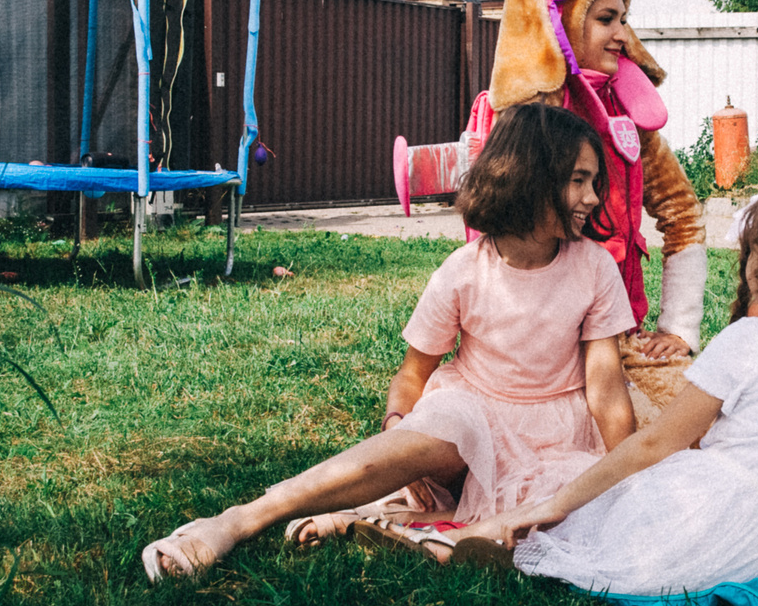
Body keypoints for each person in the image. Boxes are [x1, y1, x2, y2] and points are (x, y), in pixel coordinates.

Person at [141, 103, 636, 580]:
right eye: (578, 181)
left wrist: (639, 477)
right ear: (531, 177)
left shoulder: (593, 268)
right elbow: (413, 374)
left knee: (579, 504)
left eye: (594, 182)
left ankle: (392, 525)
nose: (593, 197)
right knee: (440, 428)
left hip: (554, 432)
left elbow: (606, 391)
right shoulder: (463, 272)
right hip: (471, 414)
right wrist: (401, 431)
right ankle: (239, 520)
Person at [453, 179, 758, 606]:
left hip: (683, 530)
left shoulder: (752, 339)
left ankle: (456, 539)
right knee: (588, 499)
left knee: (574, 493)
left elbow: (655, 444)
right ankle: (476, 533)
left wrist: (557, 505)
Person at [475, 0, 708, 406]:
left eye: (624, 19)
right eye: (606, 19)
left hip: (623, 340)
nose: (623, 35)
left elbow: (683, 213)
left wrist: (679, 328)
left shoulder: (630, 117)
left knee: (700, 420)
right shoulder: (523, 127)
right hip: (536, 352)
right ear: (555, 22)